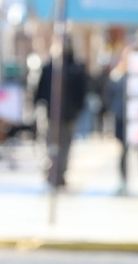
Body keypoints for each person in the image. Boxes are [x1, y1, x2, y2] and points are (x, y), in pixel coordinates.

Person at [34, 38, 88, 188]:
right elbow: (40, 91)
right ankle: (54, 171)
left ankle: (58, 172)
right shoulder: (50, 68)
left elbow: (81, 92)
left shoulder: (74, 68)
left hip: (66, 114)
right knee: (54, 144)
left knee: (61, 144)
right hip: (54, 113)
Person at [106, 47, 138, 196]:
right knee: (123, 152)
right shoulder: (117, 75)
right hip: (122, 118)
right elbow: (109, 95)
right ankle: (123, 182)